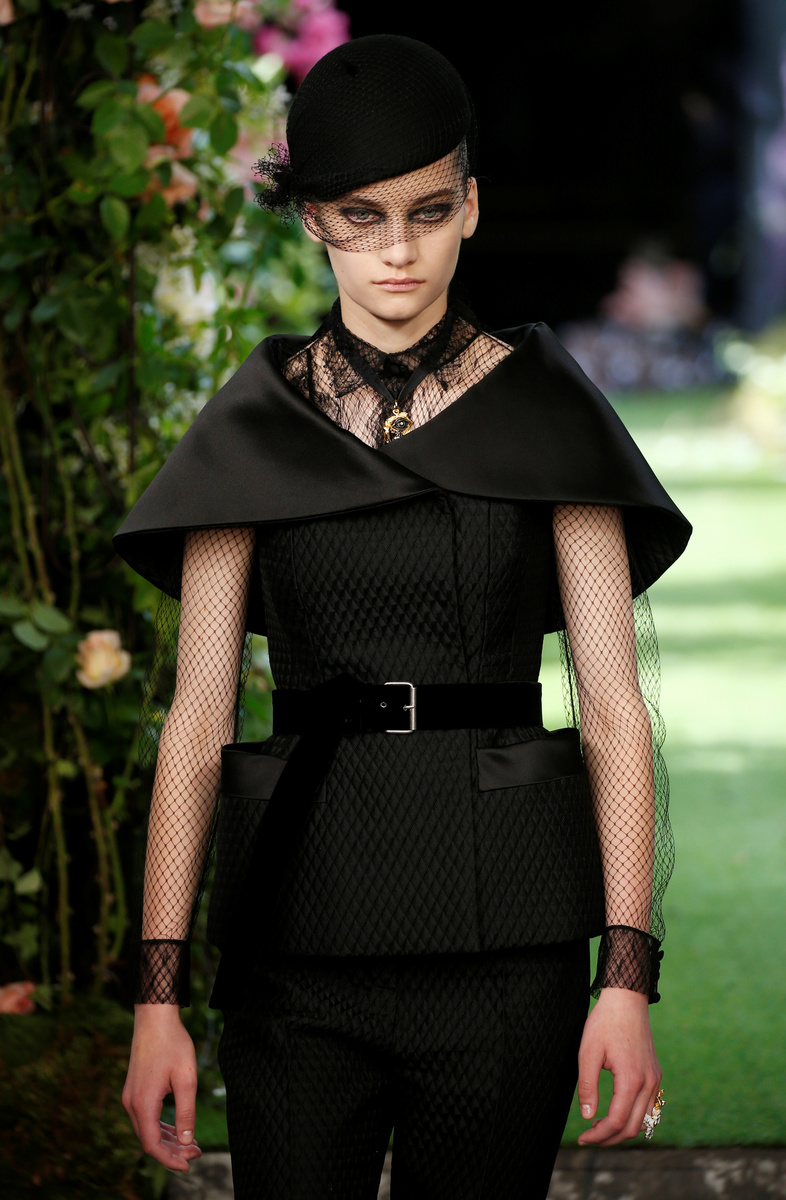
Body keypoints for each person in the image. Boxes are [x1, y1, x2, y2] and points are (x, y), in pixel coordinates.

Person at [117, 34, 690, 1200]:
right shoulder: (253, 427)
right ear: (313, 220)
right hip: (297, 936)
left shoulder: (547, 412)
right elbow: (198, 717)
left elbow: (614, 709)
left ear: (471, 207)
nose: (396, 249)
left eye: (428, 212)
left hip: (508, 946)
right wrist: (155, 997)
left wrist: (626, 976)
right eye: (360, 217)